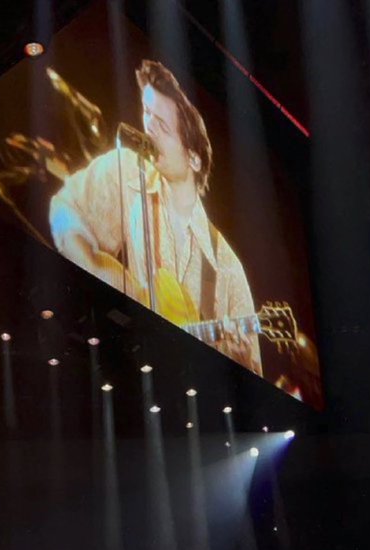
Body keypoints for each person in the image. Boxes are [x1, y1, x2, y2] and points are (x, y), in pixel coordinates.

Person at [50, 59, 262, 376]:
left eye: (161, 126)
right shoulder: (126, 170)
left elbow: (253, 376)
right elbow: (65, 207)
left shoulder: (226, 266)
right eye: (147, 114)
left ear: (193, 157)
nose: (148, 128)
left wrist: (241, 359)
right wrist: (93, 267)